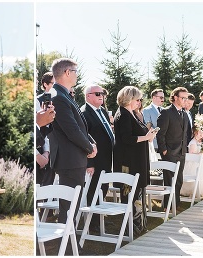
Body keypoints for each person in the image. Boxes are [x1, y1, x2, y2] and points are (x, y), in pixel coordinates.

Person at [49, 58, 97, 223]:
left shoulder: (65, 95)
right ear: (67, 72)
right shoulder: (58, 97)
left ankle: (69, 241)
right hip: (69, 160)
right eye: (76, 71)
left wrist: (91, 142)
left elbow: (80, 125)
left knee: (73, 205)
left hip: (74, 158)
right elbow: (72, 131)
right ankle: (67, 244)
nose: (78, 75)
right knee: (69, 207)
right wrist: (89, 149)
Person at [113, 86, 157, 232]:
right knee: (130, 192)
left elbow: (139, 132)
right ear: (129, 99)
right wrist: (146, 137)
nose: (139, 102)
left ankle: (139, 225)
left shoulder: (131, 113)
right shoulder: (124, 114)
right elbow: (126, 138)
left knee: (138, 191)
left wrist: (149, 136)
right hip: (129, 162)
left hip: (137, 159)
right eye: (137, 99)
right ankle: (133, 227)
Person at [80, 85, 114, 232]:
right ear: (88, 96)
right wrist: (89, 163)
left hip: (106, 159)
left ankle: (99, 218)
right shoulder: (84, 113)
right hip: (95, 160)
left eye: (103, 93)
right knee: (93, 190)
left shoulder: (103, 111)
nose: (102, 96)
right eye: (98, 93)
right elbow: (84, 140)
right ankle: (92, 223)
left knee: (103, 188)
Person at [156, 87, 189, 211]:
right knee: (169, 180)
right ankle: (167, 206)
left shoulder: (184, 113)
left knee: (179, 179)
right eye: (183, 97)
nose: (185, 100)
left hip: (181, 152)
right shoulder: (166, 112)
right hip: (169, 152)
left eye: (186, 98)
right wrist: (164, 150)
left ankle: (176, 204)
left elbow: (185, 133)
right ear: (175, 97)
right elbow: (160, 133)